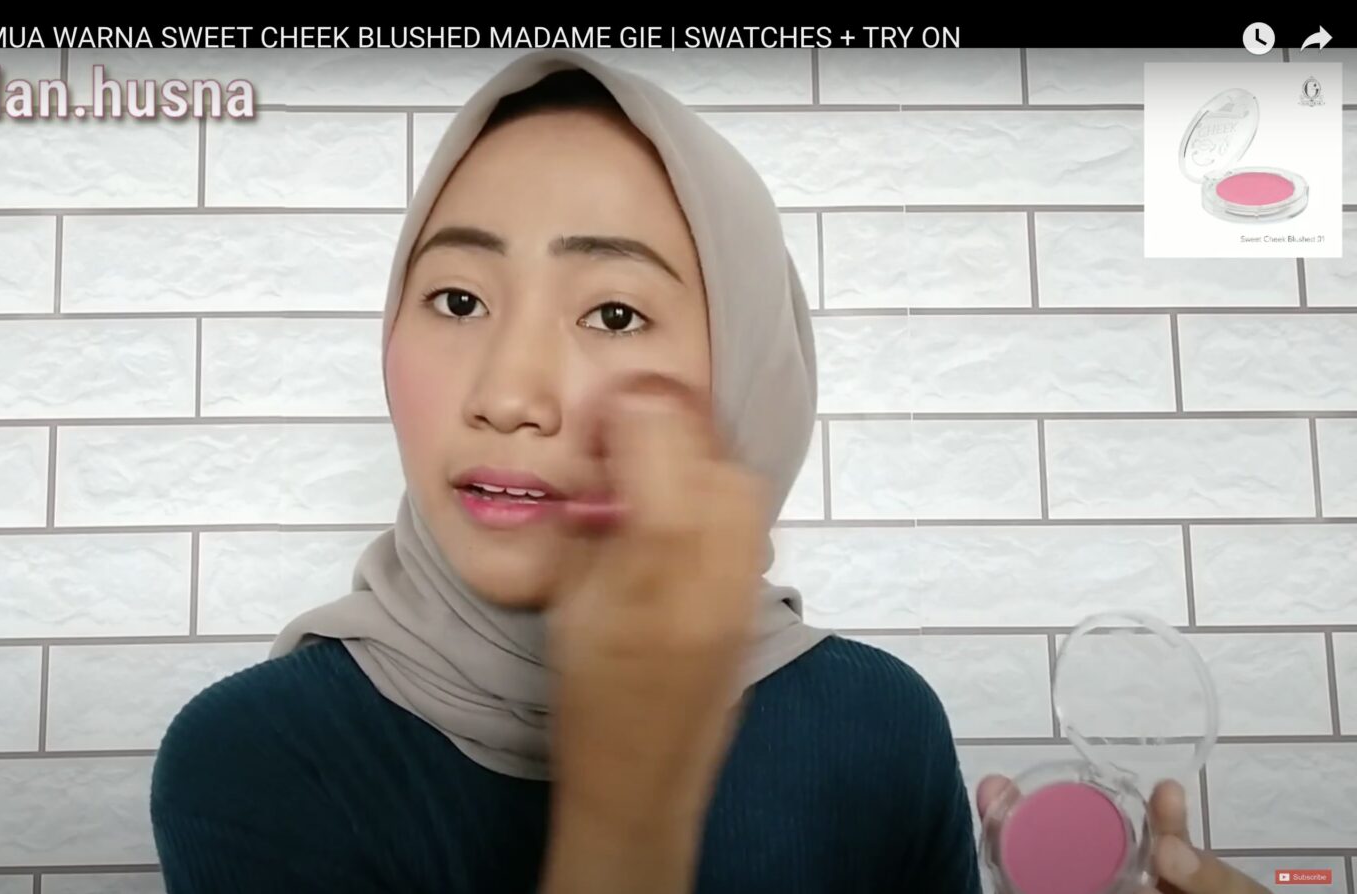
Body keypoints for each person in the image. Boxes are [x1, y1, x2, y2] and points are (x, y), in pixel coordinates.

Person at [148, 49, 1268, 894]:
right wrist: (633, 789)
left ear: (743, 379)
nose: (509, 392)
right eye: (456, 299)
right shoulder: (256, 757)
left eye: (613, 313)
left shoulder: (875, 727)